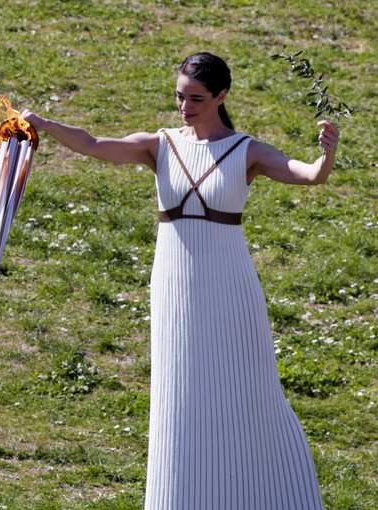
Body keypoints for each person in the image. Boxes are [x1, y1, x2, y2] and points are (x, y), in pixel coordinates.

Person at [22, 52, 338, 510]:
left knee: (247, 390)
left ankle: (270, 495)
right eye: (179, 97)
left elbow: (308, 176)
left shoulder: (245, 150)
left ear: (221, 97)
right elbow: (94, 144)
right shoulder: (161, 144)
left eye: (196, 98)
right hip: (175, 286)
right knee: (180, 393)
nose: (185, 107)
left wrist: (325, 153)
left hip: (230, 287)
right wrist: (45, 124)